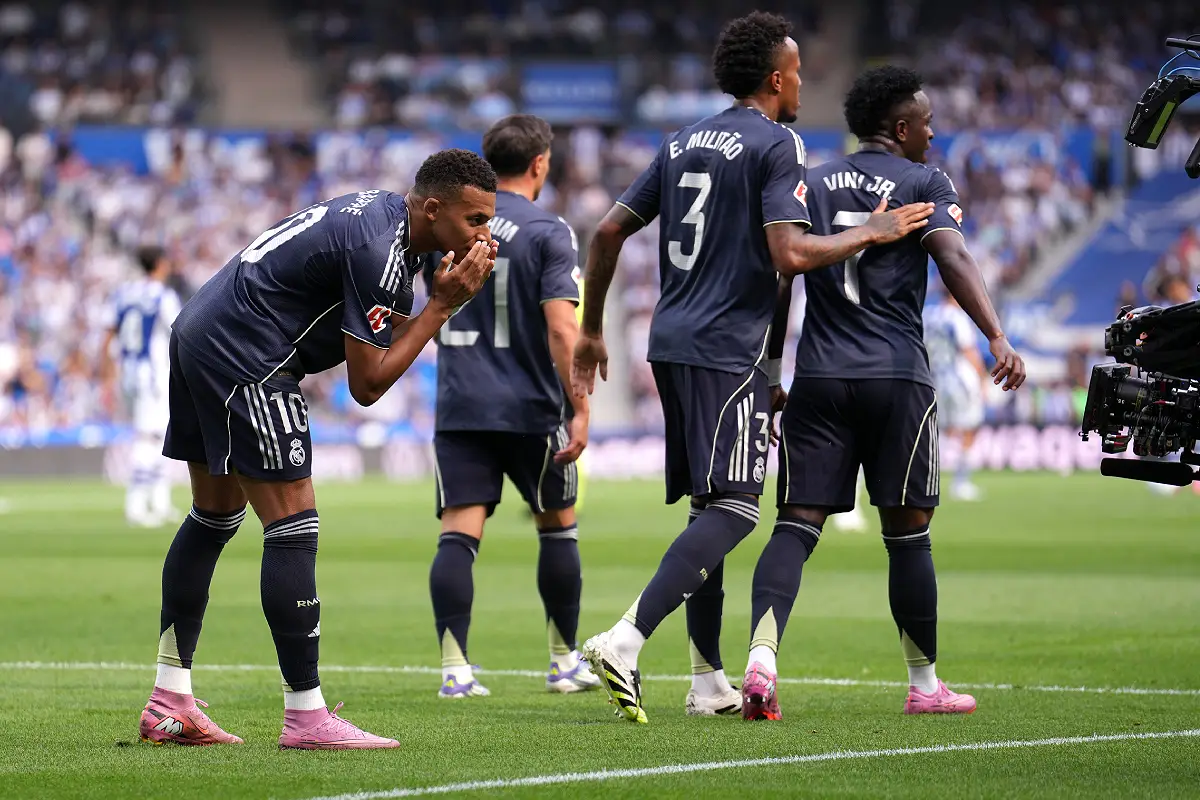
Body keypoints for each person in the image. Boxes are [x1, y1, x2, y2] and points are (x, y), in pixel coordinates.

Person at [571, 13, 934, 724]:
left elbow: (610, 229)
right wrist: (870, 230)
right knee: (737, 509)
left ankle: (708, 680)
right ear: (776, 78)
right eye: (797, 72)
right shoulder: (777, 143)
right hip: (721, 346)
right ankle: (626, 638)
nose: (802, 85)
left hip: (669, 340)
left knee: (709, 507)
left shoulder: (682, 140)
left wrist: (590, 330)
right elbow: (790, 256)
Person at [138, 149, 499, 749]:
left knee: (215, 515)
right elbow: (368, 384)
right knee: (293, 525)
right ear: (433, 209)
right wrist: (443, 305)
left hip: (200, 329)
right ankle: (306, 717)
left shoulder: (387, 220)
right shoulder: (382, 252)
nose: (484, 235)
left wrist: (444, 276)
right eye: (475, 221)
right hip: (244, 353)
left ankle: (168, 701)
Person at [742, 65, 1026, 721]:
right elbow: (953, 257)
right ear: (900, 128)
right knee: (908, 535)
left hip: (819, 375)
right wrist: (997, 334)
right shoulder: (924, 182)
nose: (934, 133)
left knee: (795, 525)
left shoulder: (808, 181)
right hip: (897, 376)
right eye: (927, 122)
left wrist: (776, 366)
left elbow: (784, 279)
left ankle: (761, 660)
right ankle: (925, 684)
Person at [426, 115, 599, 698]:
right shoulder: (549, 231)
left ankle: (455, 671)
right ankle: (562, 662)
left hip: (461, 402)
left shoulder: (450, 224)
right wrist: (580, 404)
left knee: (458, 535)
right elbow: (560, 328)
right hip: (532, 408)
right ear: (540, 164)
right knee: (558, 529)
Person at [103, 246, 182, 527]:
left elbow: (108, 335)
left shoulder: (123, 294)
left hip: (130, 374)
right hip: (153, 376)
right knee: (149, 437)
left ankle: (159, 502)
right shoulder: (163, 295)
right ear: (159, 264)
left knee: (159, 435)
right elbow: (180, 331)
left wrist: (108, 375)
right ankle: (136, 504)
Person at [924, 290, 988, 501]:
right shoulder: (958, 317)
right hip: (961, 379)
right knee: (970, 428)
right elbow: (969, 350)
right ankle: (961, 483)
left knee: (934, 432)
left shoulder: (928, 315)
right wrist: (983, 381)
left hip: (933, 379)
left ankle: (927, 480)